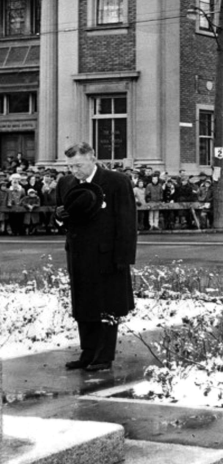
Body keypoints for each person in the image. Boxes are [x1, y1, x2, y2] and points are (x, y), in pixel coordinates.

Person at [56, 142, 137, 372]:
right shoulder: (66, 183)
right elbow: (62, 219)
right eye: (70, 166)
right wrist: (59, 217)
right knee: (84, 306)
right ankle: (88, 352)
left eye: (78, 165)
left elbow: (127, 222)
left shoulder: (116, 182)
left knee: (108, 306)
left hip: (108, 257)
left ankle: (104, 356)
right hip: (79, 256)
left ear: (92, 158)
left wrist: (123, 258)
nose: (74, 171)